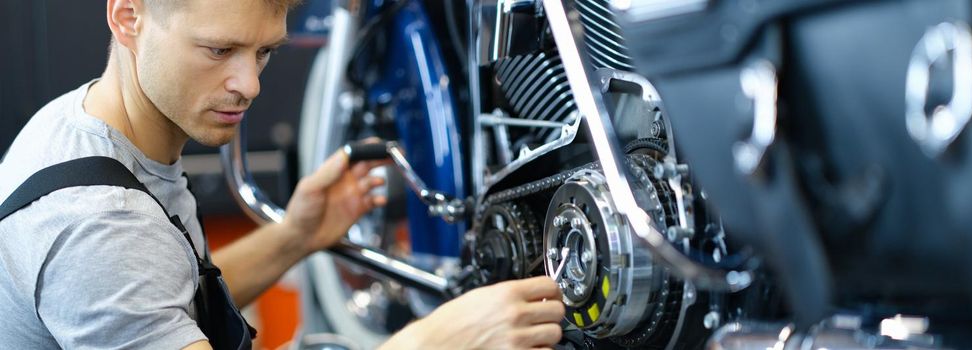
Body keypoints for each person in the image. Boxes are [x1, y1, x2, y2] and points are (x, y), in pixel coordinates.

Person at [0, 0, 565, 349]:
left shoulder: (87, 121)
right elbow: (123, 265)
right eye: (219, 49)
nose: (249, 84)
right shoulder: (97, 224)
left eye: (263, 52)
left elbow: (168, 298)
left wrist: (296, 236)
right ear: (128, 16)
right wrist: (433, 343)